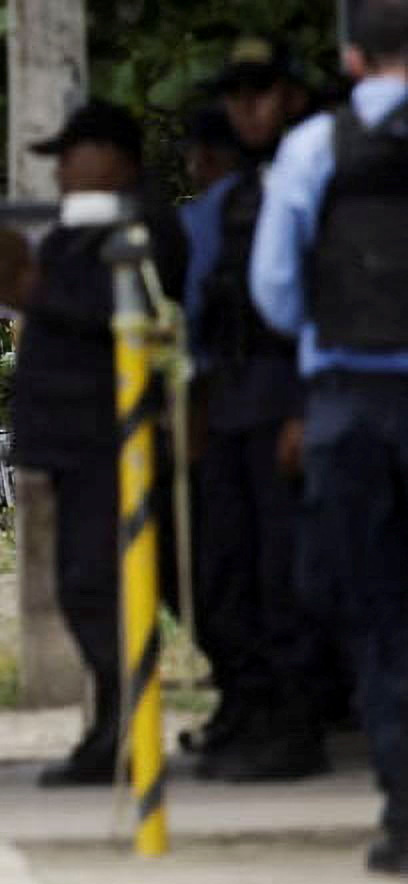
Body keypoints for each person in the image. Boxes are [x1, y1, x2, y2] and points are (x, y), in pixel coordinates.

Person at [250, 0, 408, 877]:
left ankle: (404, 813)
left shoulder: (316, 146)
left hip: (351, 400)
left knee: (380, 613)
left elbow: (274, 286)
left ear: (351, 60)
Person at [8, 103, 180, 785]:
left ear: (113, 157)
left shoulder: (140, 225)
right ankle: (113, 726)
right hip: (73, 440)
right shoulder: (79, 229)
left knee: (102, 585)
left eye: (72, 154)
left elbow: (131, 314)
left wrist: (39, 294)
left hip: (113, 440)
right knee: (90, 587)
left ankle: (125, 733)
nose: (61, 170)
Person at [181, 45, 328, 781]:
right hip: (235, 399)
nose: (247, 108)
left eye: (260, 92)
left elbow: (322, 305)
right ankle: (254, 711)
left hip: (286, 397)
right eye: (235, 95)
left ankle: (297, 728)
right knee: (229, 570)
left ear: (293, 97)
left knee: (285, 574)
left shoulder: (318, 173)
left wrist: (306, 406)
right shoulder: (236, 197)